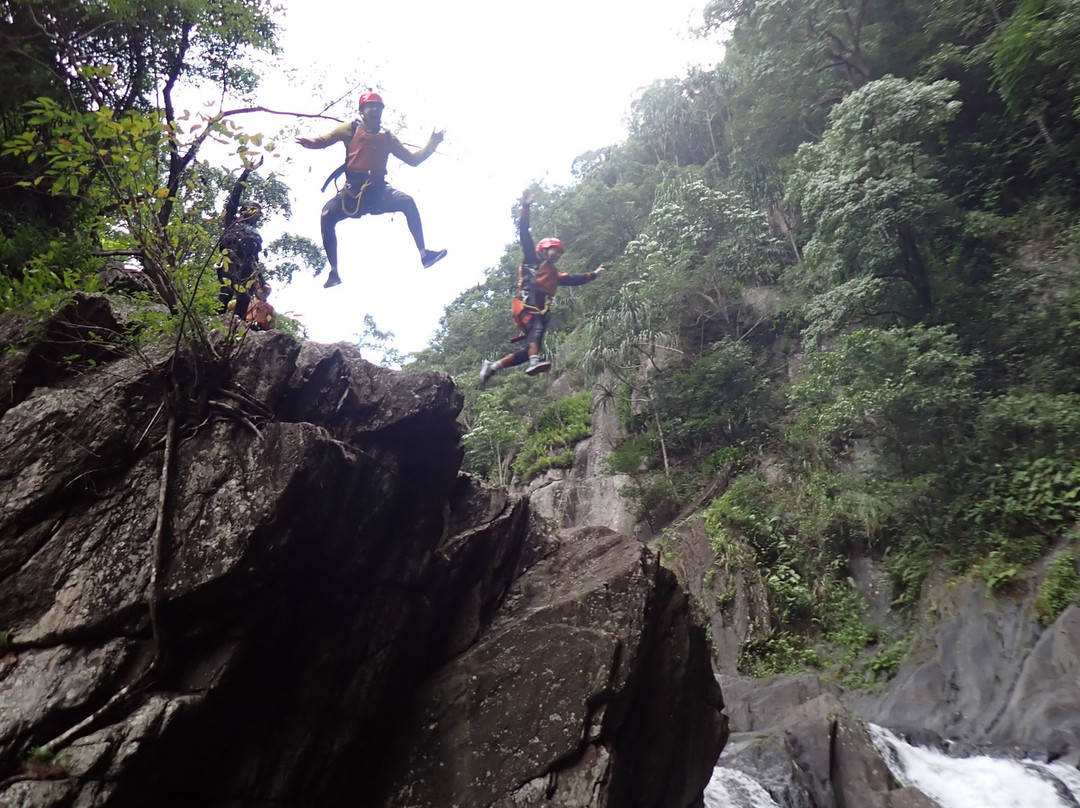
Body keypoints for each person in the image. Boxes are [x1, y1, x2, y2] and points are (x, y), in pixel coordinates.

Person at [297, 90, 447, 288]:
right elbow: (325, 140)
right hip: (351, 194)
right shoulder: (349, 129)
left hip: (378, 193)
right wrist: (311, 143)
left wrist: (432, 144)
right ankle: (334, 272)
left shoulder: (387, 137)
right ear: (362, 110)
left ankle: (424, 255)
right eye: (370, 106)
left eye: (378, 106)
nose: (374, 109)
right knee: (326, 215)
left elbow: (413, 160)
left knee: (407, 202)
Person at [478, 190, 604, 385]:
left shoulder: (554, 274)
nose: (556, 256)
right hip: (527, 305)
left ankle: (492, 367)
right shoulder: (532, 260)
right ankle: (534, 361)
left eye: (559, 254)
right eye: (554, 251)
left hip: (539, 311)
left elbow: (573, 279)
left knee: (528, 349)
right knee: (535, 330)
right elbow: (524, 233)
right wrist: (526, 206)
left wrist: (594, 274)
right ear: (544, 250)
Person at [218, 169, 264, 323]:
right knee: (225, 292)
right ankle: (215, 322)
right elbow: (233, 200)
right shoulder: (232, 223)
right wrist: (246, 173)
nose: (256, 218)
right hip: (230, 261)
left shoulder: (255, 234)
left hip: (246, 267)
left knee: (244, 299)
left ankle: (237, 329)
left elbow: (255, 258)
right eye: (255, 213)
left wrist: (262, 280)